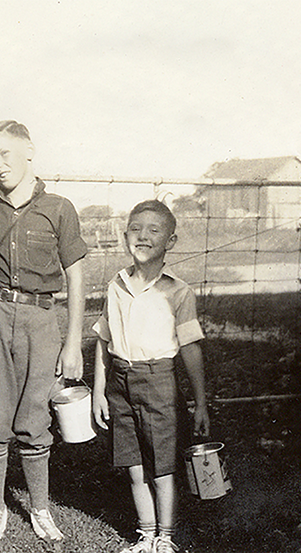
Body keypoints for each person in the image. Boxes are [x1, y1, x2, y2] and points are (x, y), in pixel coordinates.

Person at [0, 120, 87, 542]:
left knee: (35, 413)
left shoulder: (60, 208)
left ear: (29, 150)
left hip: (40, 319)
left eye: (4, 154)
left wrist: (72, 343)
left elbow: (77, 276)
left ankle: (40, 508)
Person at [91, 199, 210, 553]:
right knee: (133, 464)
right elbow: (103, 339)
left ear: (170, 242)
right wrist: (99, 391)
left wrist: (200, 403)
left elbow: (190, 349)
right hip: (119, 383)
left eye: (154, 230)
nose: (142, 236)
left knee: (162, 466)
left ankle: (166, 538)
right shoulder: (115, 285)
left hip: (159, 382)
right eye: (135, 228)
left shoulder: (178, 291)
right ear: (125, 234)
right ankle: (145, 535)